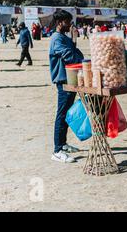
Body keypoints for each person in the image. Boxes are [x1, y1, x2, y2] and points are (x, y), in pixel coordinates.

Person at [49, 10, 84, 163]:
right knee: (62, 114)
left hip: (70, 79)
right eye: (68, 21)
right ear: (60, 22)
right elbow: (72, 57)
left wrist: (74, 39)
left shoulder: (64, 37)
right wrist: (77, 52)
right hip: (63, 80)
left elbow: (76, 53)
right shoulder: (57, 39)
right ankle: (57, 150)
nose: (70, 24)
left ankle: (62, 144)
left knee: (67, 112)